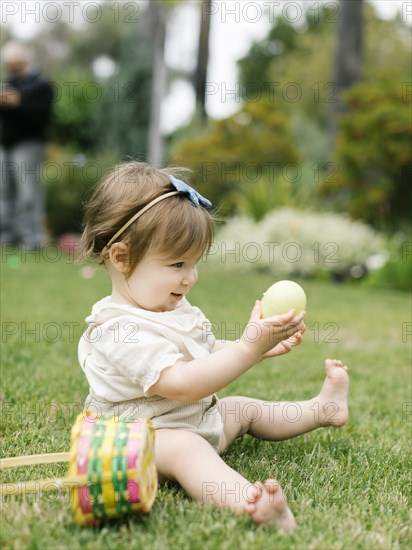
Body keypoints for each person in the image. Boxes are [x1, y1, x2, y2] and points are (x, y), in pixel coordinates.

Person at [78, 161, 349, 530]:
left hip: (198, 420)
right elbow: (182, 382)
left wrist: (247, 347)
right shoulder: (120, 331)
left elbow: (199, 354)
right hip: (145, 441)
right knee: (190, 451)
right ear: (122, 258)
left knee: (244, 409)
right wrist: (247, 350)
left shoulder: (167, 304)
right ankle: (251, 505)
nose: (190, 278)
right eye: (177, 263)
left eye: (194, 263)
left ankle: (322, 409)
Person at [0, 41, 54, 248]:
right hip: (6, 144)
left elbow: (43, 117)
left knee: (27, 193)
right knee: (4, 192)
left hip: (29, 145)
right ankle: (7, 237)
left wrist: (19, 103)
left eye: (13, 63)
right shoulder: (8, 83)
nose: (11, 67)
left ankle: (31, 240)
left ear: (23, 60)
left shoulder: (42, 85)